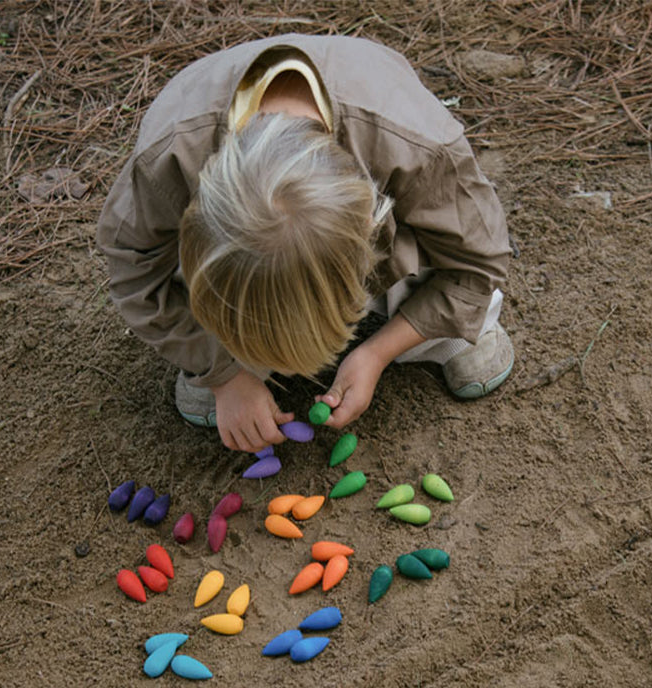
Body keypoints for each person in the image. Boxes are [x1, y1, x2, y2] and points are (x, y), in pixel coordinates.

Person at [97, 34, 514, 453]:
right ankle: (224, 357)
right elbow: (133, 275)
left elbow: (479, 261)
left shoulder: (418, 148)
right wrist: (223, 374)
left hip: (394, 202)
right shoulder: (166, 162)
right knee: (181, 282)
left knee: (452, 258)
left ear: (368, 224)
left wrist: (377, 352)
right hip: (222, 233)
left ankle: (444, 335)